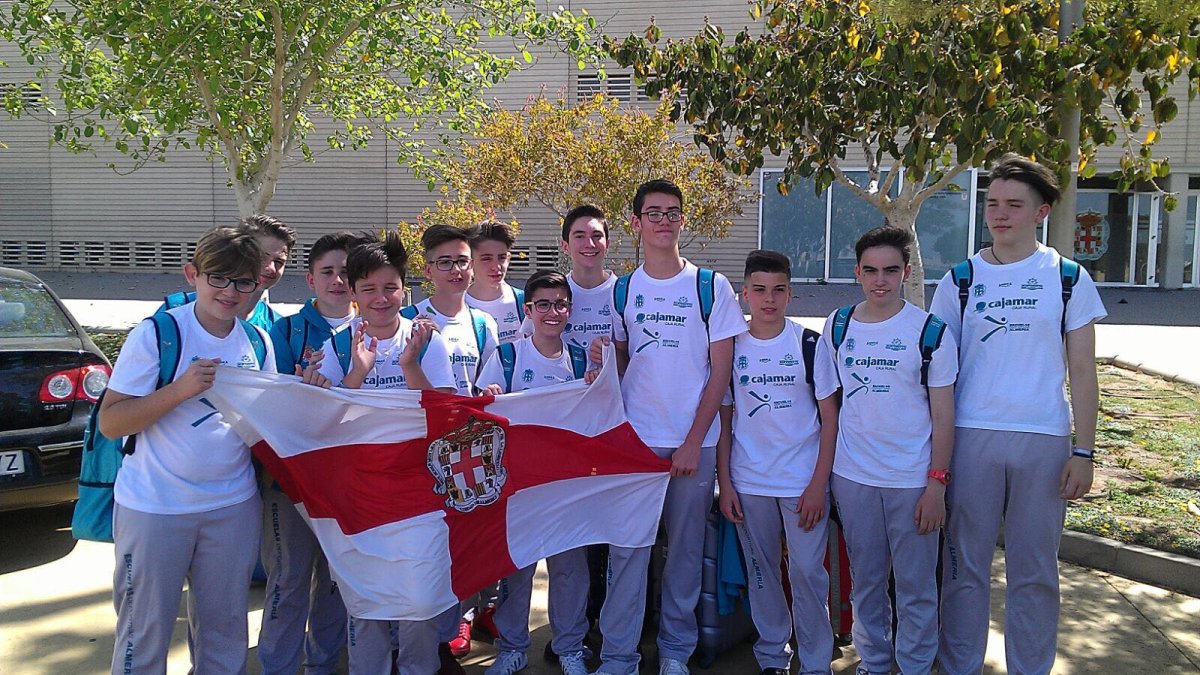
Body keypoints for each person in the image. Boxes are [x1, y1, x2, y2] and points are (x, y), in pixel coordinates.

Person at [932, 154, 1106, 675]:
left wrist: (1084, 451)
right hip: (972, 437)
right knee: (964, 568)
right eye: (992, 204)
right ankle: (959, 665)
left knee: (1035, 571)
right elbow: (937, 375)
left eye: (1013, 204)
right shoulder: (960, 280)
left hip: (1043, 441)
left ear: (1041, 212)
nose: (1000, 214)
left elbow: (1083, 370)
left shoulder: (1068, 278)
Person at [100, 226, 300, 673]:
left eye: (242, 281)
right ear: (193, 275)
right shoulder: (158, 333)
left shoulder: (258, 341)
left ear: (257, 283)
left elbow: (263, 425)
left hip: (232, 505)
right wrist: (180, 390)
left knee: (224, 633)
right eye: (218, 278)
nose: (229, 292)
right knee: (143, 633)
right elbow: (112, 423)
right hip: (155, 506)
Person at [589, 179, 747, 675]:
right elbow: (622, 359)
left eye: (672, 212)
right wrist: (601, 364)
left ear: (682, 219)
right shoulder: (622, 289)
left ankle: (676, 651)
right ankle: (619, 656)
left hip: (692, 445)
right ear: (635, 222)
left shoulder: (710, 287)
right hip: (635, 445)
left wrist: (692, 442)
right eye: (653, 213)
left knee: (683, 554)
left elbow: (720, 372)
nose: (664, 220)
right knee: (627, 552)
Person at [813, 226, 957, 675]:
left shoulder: (930, 332)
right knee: (867, 582)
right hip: (853, 478)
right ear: (857, 272)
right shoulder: (837, 327)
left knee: (916, 586)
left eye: (891, 270)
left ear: (906, 273)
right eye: (871, 270)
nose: (881, 280)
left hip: (912, 482)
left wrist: (936, 485)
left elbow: (944, 416)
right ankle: (874, 662)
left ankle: (914, 665)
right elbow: (828, 409)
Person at [317, 230, 457, 675]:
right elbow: (324, 426)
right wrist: (357, 374)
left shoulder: (427, 341)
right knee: (367, 602)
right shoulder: (337, 346)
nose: (381, 298)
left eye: (390, 287)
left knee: (420, 599)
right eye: (369, 288)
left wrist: (409, 366)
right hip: (361, 496)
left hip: (420, 492)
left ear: (404, 289)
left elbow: (447, 417)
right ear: (353, 293)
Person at [716, 249, 837, 675]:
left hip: (802, 484)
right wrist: (726, 484)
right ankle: (772, 656)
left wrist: (818, 485)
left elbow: (830, 420)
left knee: (807, 573)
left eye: (778, 290)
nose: (769, 299)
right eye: (760, 290)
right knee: (762, 573)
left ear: (790, 294)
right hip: (749, 483)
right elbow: (724, 420)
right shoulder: (730, 347)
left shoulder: (809, 344)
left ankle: (816, 663)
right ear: (745, 294)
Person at [476, 270, 594, 675]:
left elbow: (599, 416)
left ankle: (570, 648)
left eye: (560, 304)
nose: (552, 312)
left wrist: (597, 383)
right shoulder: (508, 356)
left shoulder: (582, 359)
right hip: (517, 484)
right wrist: (489, 397)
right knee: (515, 567)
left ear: (570, 310)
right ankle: (511, 648)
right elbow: (481, 412)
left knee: (570, 569)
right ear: (528, 310)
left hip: (566, 484)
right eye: (543, 304)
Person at [258, 231, 365, 674]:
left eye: (347, 272)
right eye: (328, 272)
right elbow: (268, 405)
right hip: (293, 481)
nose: (338, 280)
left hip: (352, 481)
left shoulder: (377, 328)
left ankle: (322, 665)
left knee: (339, 581)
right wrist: (301, 390)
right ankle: (278, 667)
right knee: (289, 579)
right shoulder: (285, 331)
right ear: (310, 280)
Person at [401, 223, 499, 672]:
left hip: (465, 456)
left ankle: (447, 635)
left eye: (462, 261)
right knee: (424, 557)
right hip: (416, 458)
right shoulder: (409, 321)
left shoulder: (483, 323)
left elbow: (489, 385)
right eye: (445, 263)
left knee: (461, 551)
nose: (456, 271)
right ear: (427, 270)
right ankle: (417, 647)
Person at [158, 214, 295, 330]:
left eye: (279, 262)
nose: (271, 268)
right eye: (261, 257)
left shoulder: (276, 327)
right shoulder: (173, 309)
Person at [466, 220, 527, 345]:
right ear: (469, 262)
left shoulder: (525, 301)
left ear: (508, 259)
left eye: (501, 258)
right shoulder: (457, 306)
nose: (496, 266)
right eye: (486, 259)